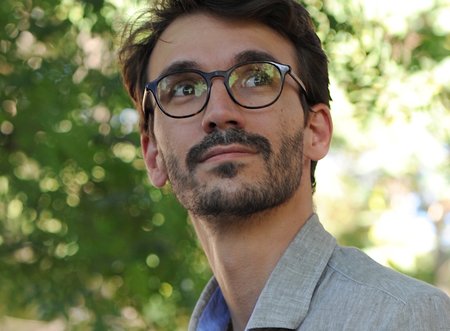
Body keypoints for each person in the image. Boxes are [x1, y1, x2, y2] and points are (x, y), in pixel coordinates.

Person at [118, 0, 450, 330]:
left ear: (315, 131)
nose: (218, 112)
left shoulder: (404, 317)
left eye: (256, 79)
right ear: (153, 154)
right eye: (184, 88)